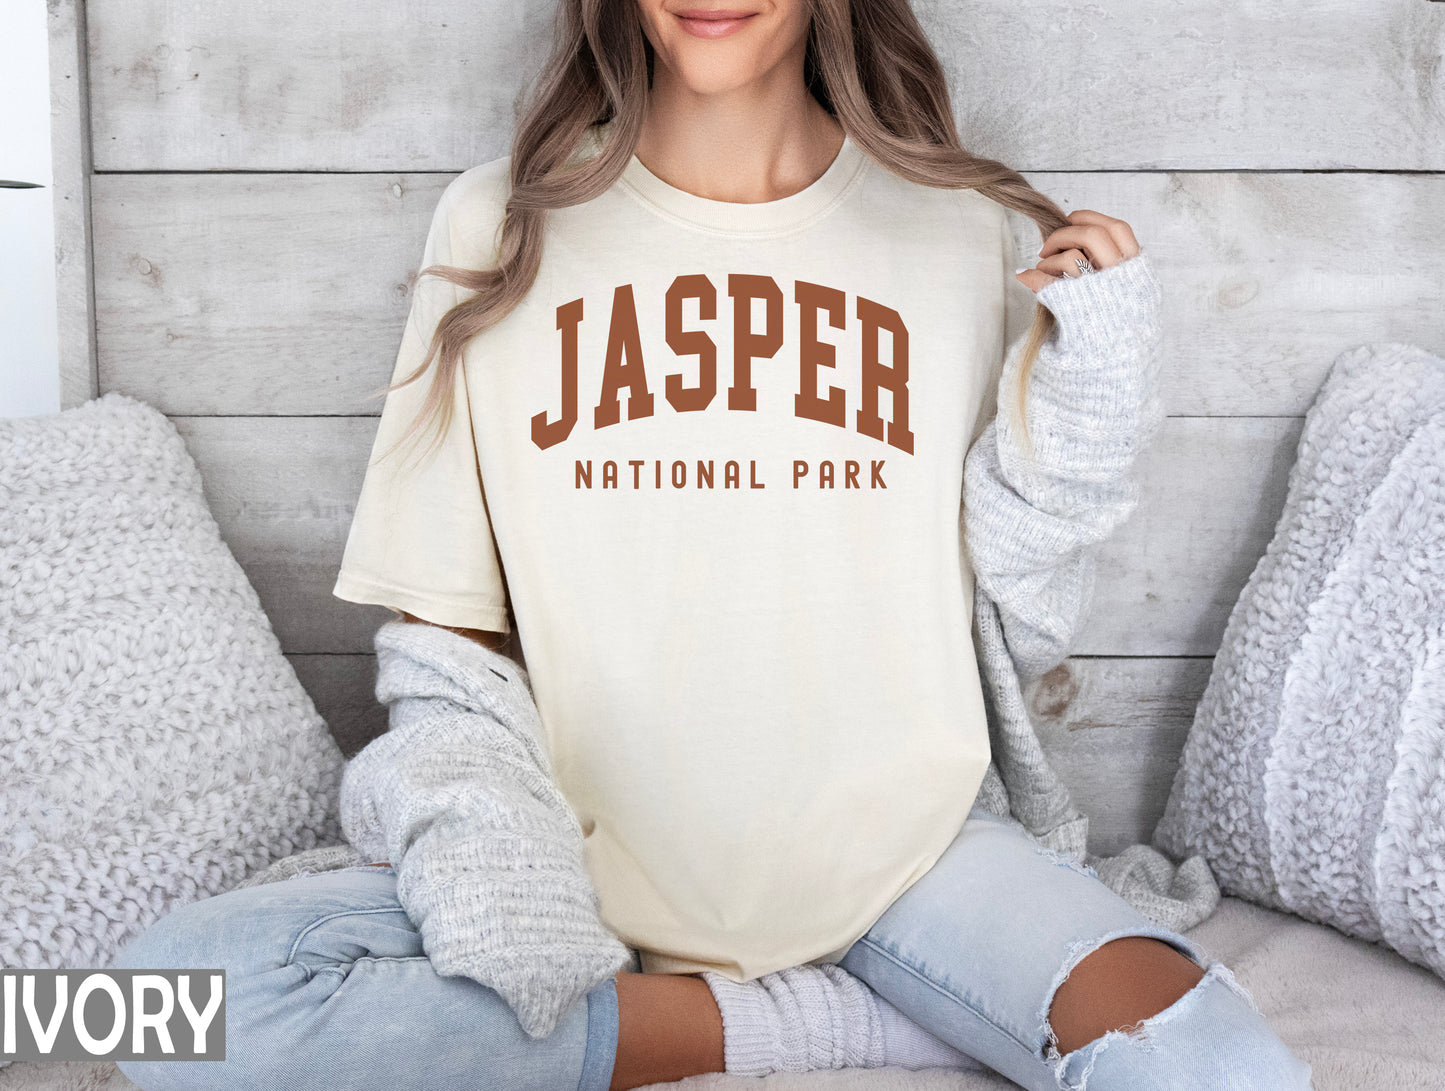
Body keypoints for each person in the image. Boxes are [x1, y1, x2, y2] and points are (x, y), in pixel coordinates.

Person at [113, 1, 1315, 1089]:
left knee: (1221, 1066)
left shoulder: (967, 229)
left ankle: (819, 997)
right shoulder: (499, 223)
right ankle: (825, 1019)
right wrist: (493, 871)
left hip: (910, 863)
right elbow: (444, 631)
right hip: (578, 866)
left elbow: (1020, 587)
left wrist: (1094, 406)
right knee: (133, 1014)